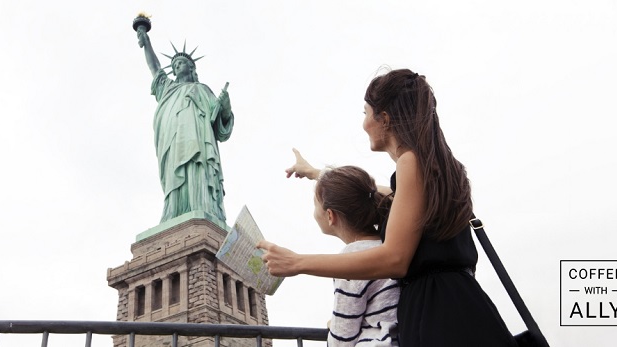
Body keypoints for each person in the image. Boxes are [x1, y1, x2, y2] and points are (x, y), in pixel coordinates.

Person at [258, 69, 517, 346]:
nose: (364, 124)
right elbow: (375, 194)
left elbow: (394, 258)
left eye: (365, 113)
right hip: (462, 309)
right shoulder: (433, 165)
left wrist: (297, 263)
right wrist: (316, 173)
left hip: (439, 317)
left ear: (384, 119)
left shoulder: (410, 162)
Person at [137, 26, 234, 223]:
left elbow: (221, 127)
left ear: (191, 67)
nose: (176, 67)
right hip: (173, 141)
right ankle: (174, 211)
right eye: (174, 65)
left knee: (197, 168)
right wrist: (145, 41)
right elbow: (154, 67)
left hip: (199, 141)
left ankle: (203, 206)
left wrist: (225, 107)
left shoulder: (203, 90)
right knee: (175, 174)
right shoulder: (167, 88)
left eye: (180, 63)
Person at [311, 165, 400, 346]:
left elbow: (342, 338)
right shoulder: (389, 247)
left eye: (314, 205)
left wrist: (334, 326)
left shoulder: (350, 260)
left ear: (330, 215)